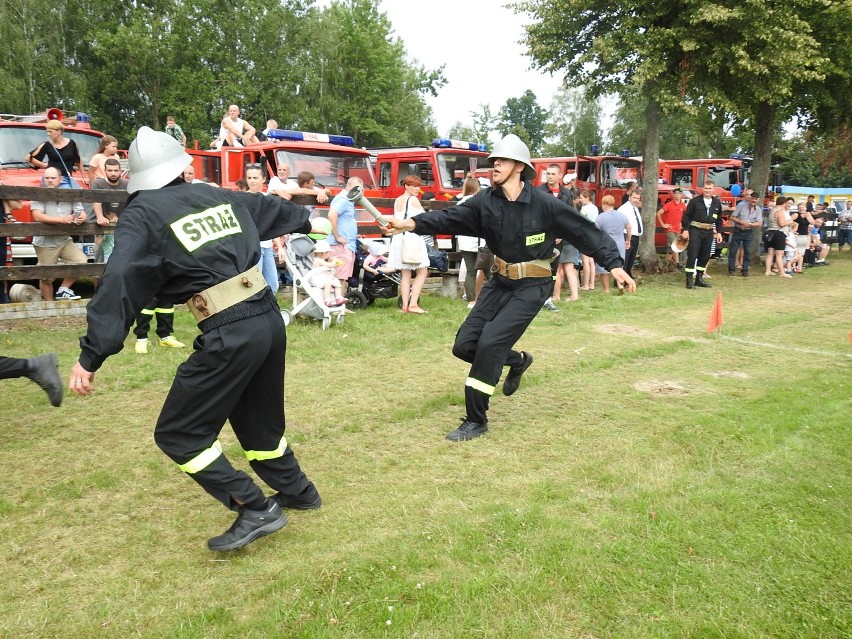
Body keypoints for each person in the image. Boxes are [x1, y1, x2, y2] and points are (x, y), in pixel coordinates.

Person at [68, 126, 323, 552]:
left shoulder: (143, 214)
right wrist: (306, 212)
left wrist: (91, 356)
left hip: (231, 329)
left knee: (180, 433)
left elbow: (119, 283)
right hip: (267, 319)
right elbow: (275, 209)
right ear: (179, 166)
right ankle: (298, 492)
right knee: (259, 424)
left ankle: (254, 506)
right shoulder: (216, 195)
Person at [381, 134, 635, 442]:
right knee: (464, 345)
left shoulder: (545, 204)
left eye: (500, 161)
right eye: (493, 162)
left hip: (533, 286)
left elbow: (584, 232)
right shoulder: (486, 202)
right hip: (499, 282)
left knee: (490, 344)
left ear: (518, 166)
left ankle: (476, 419)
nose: (494, 166)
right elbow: (449, 216)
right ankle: (516, 360)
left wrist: (616, 264)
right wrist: (409, 224)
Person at [30, 167, 88, 300]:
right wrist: (61, 220)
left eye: (53, 178)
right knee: (47, 277)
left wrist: (81, 218)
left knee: (81, 262)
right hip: (45, 242)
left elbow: (82, 212)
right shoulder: (38, 193)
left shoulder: (69, 193)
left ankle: (63, 290)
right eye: (47, 178)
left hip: (64, 239)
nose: (49, 181)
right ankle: (50, 306)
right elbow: (37, 216)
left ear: (60, 179)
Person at [386, 175, 430, 313]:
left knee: (405, 274)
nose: (417, 189)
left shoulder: (397, 200)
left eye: (419, 186)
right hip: (412, 238)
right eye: (414, 186)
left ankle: (404, 306)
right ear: (406, 186)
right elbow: (422, 220)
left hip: (399, 239)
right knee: (422, 271)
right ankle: (413, 304)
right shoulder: (413, 200)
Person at [539, 163, 575, 307]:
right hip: (542, 237)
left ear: (560, 175)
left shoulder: (566, 194)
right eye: (547, 173)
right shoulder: (539, 191)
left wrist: (562, 233)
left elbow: (569, 216)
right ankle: (535, 297)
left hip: (559, 239)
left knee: (554, 269)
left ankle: (548, 298)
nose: (550, 176)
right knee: (540, 267)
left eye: (553, 174)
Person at [681, 181, 723, 288]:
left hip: (709, 232)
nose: (707, 190)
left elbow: (719, 219)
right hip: (696, 230)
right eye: (706, 188)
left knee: (705, 256)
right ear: (702, 189)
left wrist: (718, 232)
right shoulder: (695, 201)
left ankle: (699, 279)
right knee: (693, 254)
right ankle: (689, 280)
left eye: (709, 188)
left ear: (713, 189)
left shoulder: (716, 203)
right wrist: (685, 230)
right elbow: (686, 216)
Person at [245, 163, 279, 292]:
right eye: (249, 178)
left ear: (263, 179)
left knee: (273, 284)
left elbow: (271, 224)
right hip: (253, 248)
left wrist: (279, 247)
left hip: (268, 246)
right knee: (255, 284)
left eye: (255, 178)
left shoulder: (268, 198)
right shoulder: (242, 199)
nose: (252, 181)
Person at [326, 176, 362, 301]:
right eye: (356, 188)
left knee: (342, 276)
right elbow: (331, 215)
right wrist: (337, 236)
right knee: (337, 276)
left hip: (347, 244)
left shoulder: (349, 199)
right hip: (340, 245)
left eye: (360, 189)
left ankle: (340, 303)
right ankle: (336, 303)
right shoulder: (344, 198)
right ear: (348, 186)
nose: (358, 191)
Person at [25, 120, 86, 187]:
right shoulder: (47, 144)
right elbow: (28, 158)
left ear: (59, 132)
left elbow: (78, 161)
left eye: (50, 131)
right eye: (47, 131)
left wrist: (84, 177)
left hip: (65, 179)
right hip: (50, 179)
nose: (48, 134)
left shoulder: (72, 143)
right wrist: (44, 165)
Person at [92, 158, 129, 263]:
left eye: (116, 170)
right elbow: (96, 201)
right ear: (105, 171)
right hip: (104, 227)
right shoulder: (98, 183)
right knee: (99, 260)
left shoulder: (127, 184)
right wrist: (100, 217)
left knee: (122, 259)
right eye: (110, 170)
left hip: (122, 228)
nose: (113, 173)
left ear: (120, 171)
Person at [594, 195, 631, 294]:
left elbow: (596, 231)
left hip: (605, 244)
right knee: (618, 266)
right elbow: (629, 227)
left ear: (604, 204)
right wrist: (628, 240)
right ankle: (620, 284)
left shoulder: (601, 217)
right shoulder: (622, 215)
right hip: (619, 243)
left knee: (604, 269)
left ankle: (606, 289)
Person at [455, 177, 482, 308]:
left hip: (465, 241)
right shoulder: (479, 203)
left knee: (471, 271)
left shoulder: (460, 203)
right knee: (488, 271)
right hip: (479, 242)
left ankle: (471, 300)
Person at [727, 190, 762, 277]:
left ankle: (745, 270)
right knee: (733, 250)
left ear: (758, 200)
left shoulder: (758, 209)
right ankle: (731, 270)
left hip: (749, 231)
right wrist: (742, 222)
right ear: (750, 198)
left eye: (756, 199)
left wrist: (749, 224)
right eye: (753, 198)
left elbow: (759, 223)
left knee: (748, 251)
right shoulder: (741, 205)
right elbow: (732, 217)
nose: (754, 200)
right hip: (738, 230)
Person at [306, 239, 346, 307]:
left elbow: (328, 264)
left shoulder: (323, 260)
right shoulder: (318, 260)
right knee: (328, 284)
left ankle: (338, 297)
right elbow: (330, 265)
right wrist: (334, 261)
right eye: (328, 253)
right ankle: (327, 300)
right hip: (318, 280)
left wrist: (331, 260)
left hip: (324, 278)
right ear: (323, 253)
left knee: (337, 283)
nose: (329, 255)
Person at [656, 186, 686, 269]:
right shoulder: (669, 204)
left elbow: (686, 215)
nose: (677, 195)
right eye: (675, 193)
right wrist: (663, 224)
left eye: (679, 193)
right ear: (673, 195)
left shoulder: (682, 205)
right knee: (675, 245)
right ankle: (677, 263)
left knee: (670, 249)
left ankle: (665, 265)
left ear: (681, 195)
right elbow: (658, 213)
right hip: (670, 229)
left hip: (678, 229)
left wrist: (682, 223)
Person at [764, 196, 794, 278]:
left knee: (770, 253)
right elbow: (782, 223)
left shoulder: (772, 210)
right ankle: (782, 272)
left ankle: (768, 271)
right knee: (779, 254)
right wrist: (791, 220)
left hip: (769, 233)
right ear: (784, 203)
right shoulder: (779, 211)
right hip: (778, 233)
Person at [618, 190, 644, 279]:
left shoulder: (635, 208)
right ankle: (621, 279)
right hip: (626, 235)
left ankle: (628, 275)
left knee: (631, 258)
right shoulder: (623, 209)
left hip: (635, 236)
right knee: (625, 258)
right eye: (634, 198)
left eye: (638, 198)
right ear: (629, 197)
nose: (636, 200)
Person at [577, 190, 599, 291]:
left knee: (585, 261)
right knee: (591, 261)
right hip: (593, 234)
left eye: (581, 198)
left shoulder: (584, 209)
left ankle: (585, 284)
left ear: (587, 198)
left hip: (585, 235)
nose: (580, 200)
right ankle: (592, 284)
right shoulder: (595, 208)